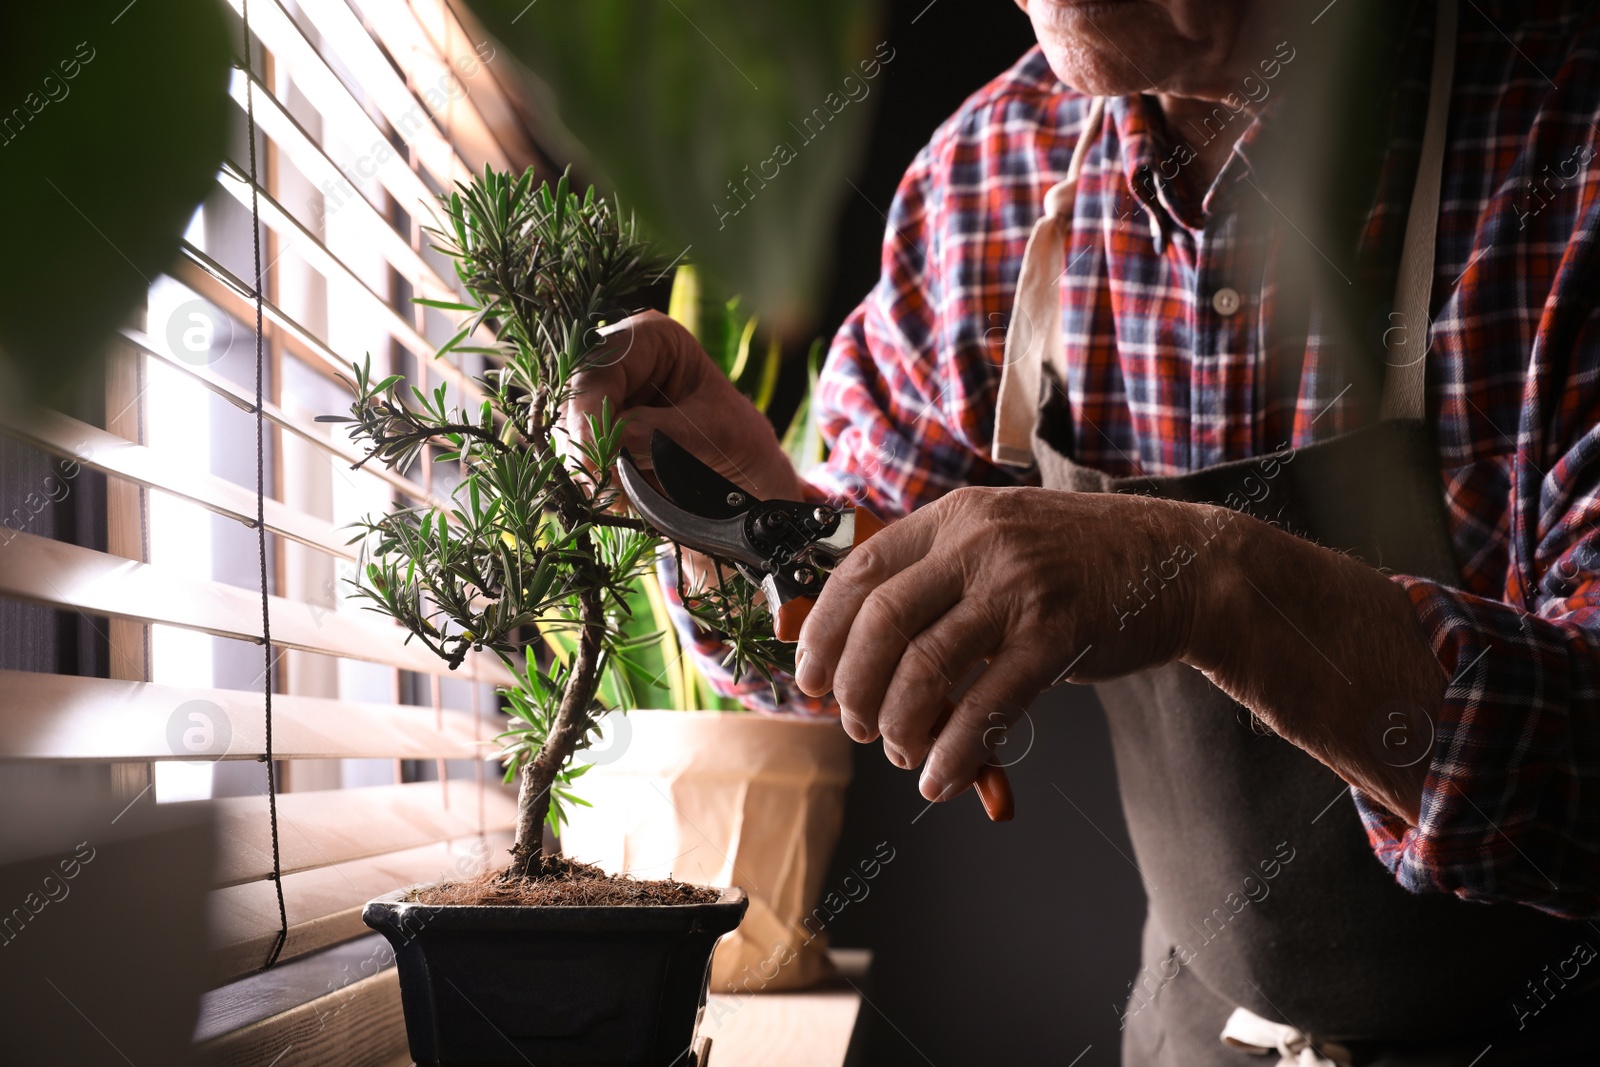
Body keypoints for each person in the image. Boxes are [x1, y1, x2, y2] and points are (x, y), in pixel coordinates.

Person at [574, 1, 1600, 1061]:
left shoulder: (1561, 135)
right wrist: (752, 510)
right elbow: (855, 611)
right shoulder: (990, 177)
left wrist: (1199, 577)